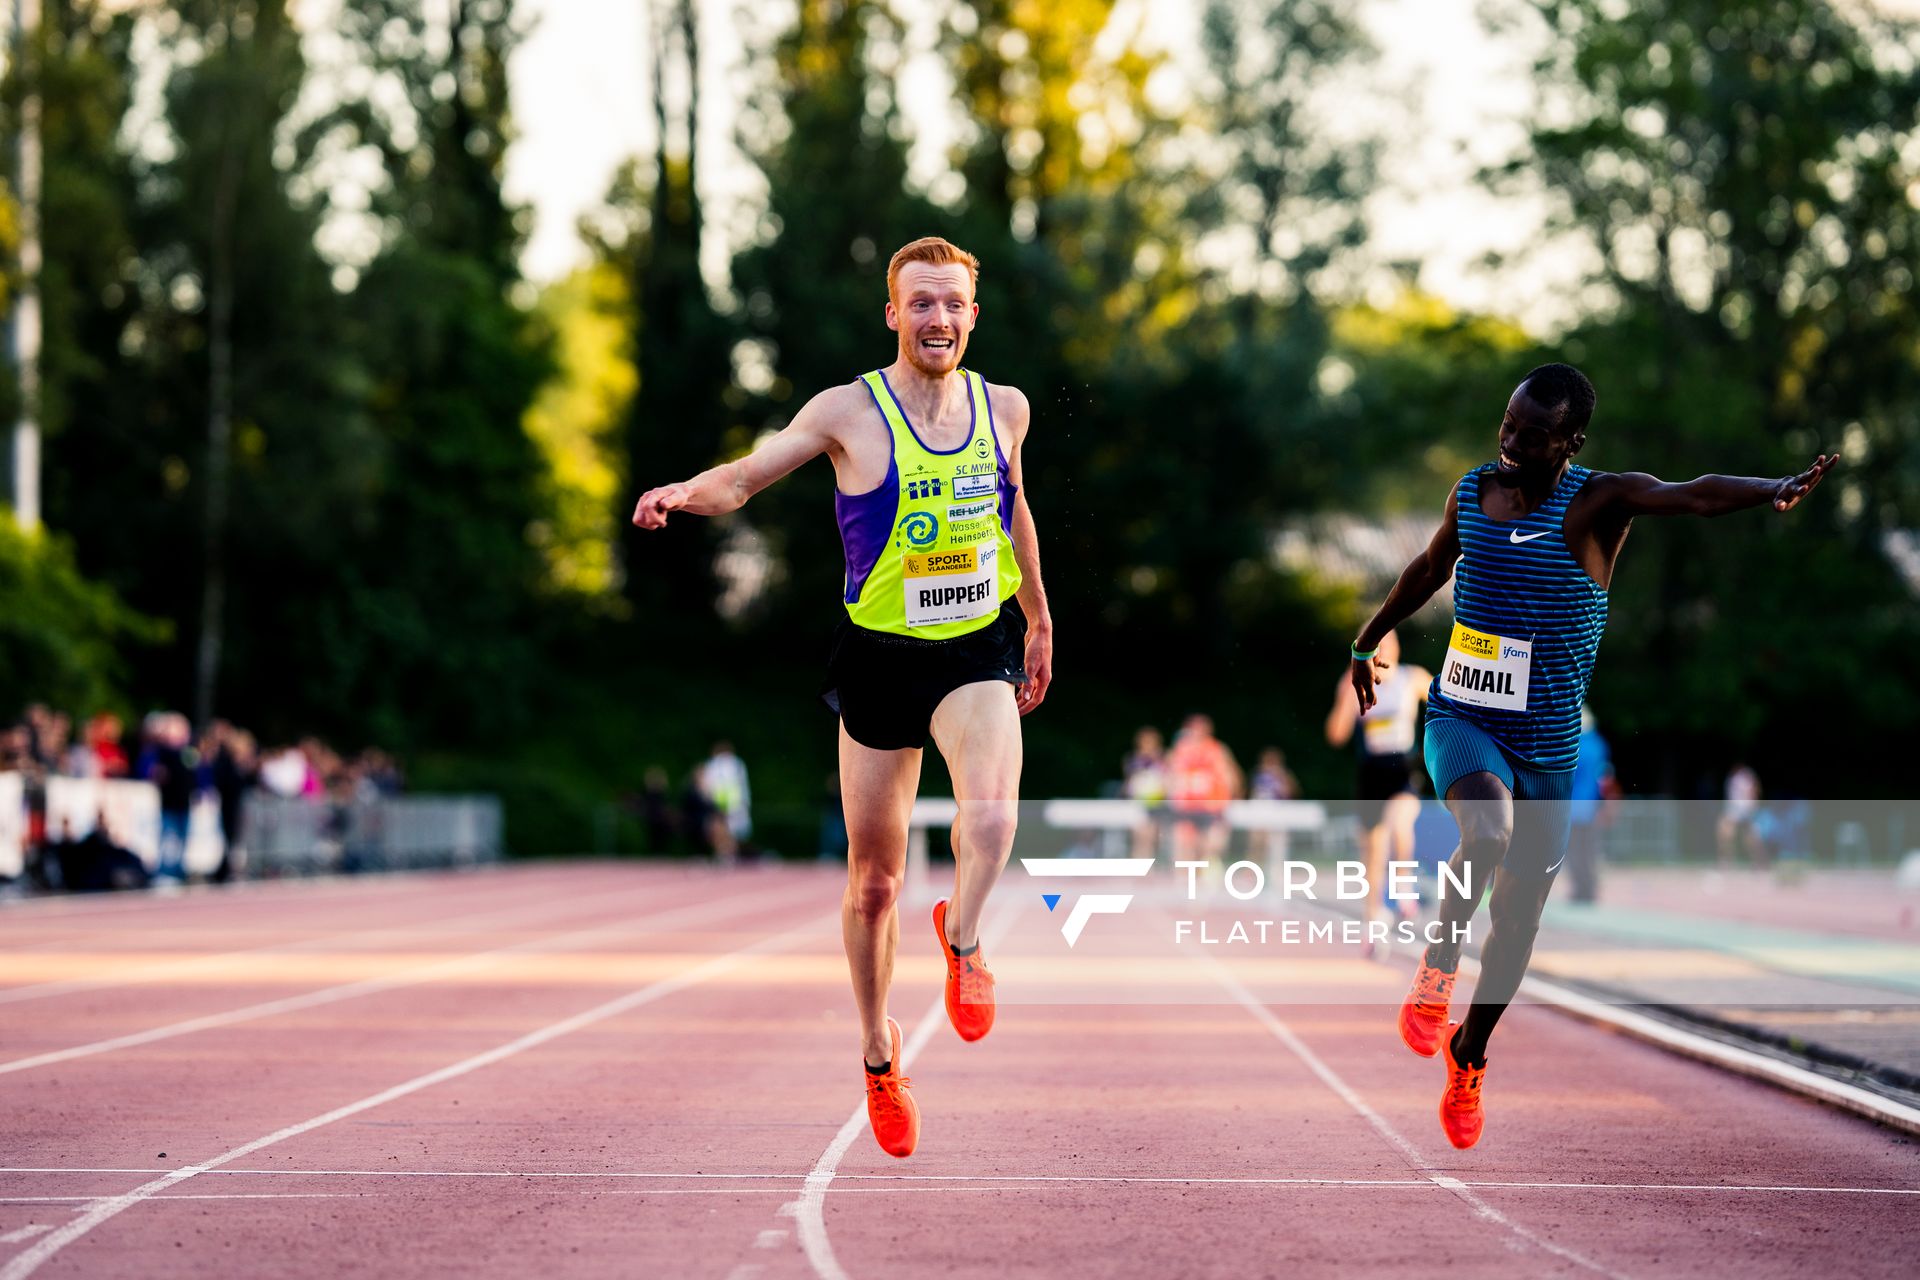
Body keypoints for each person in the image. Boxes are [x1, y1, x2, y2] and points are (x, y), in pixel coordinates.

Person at [630, 236, 1053, 1159]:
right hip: (878, 655)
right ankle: (878, 1052)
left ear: (973, 316)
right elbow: (746, 475)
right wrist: (682, 493)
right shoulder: (847, 412)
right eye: (921, 304)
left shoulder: (1005, 409)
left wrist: (1040, 615)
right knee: (875, 883)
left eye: (953, 304)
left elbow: (1012, 507)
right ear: (893, 314)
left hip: (976, 644)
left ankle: (967, 941)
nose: (938, 319)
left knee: (991, 822)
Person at [1347, 362, 1833, 1150]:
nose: (1509, 443)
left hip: (1550, 750)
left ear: (1572, 442)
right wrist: (1365, 641)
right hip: (1464, 717)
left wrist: (1770, 486)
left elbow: (1693, 493)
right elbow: (1431, 568)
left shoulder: (1601, 501)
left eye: (1531, 437)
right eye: (1506, 426)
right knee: (1487, 835)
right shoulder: (1473, 492)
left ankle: (1469, 1055)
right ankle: (1436, 966)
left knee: (1518, 924)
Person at [1325, 628, 1430, 959]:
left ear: (1397, 646)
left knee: (1400, 823)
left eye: (1389, 642)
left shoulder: (1411, 678)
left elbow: (1448, 703)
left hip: (1402, 768)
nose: (1383, 649)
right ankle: (1374, 922)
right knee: (1371, 855)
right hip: (1370, 772)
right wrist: (1346, 694)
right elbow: (1337, 735)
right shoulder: (1356, 681)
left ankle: (1402, 886)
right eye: (1375, 643)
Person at [1166, 714, 1240, 870]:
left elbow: (1231, 777)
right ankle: (1184, 884)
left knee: (1211, 847)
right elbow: (1169, 776)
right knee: (1184, 847)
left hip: (1211, 807)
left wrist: (1230, 799)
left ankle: (1204, 881)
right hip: (1186, 807)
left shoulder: (1217, 750)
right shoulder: (1180, 750)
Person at [1564, 706, 1615, 903]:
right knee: (1591, 849)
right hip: (1592, 805)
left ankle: (1579, 889)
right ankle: (1590, 888)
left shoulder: (1571, 744)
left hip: (1573, 804)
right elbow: (1604, 776)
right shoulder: (1599, 744)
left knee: (1574, 849)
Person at [696, 741, 752, 865]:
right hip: (733, 802)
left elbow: (707, 784)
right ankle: (728, 855)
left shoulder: (714, 764)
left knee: (721, 830)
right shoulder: (737, 764)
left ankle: (725, 855)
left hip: (720, 802)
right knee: (729, 831)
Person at [1122, 727, 1169, 858]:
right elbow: (1129, 783)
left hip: (1157, 804)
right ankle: (1139, 871)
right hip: (1138, 804)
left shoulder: (1163, 759)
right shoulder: (1132, 760)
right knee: (1140, 838)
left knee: (1152, 838)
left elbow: (1167, 781)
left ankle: (1150, 870)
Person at [1717, 762, 1763, 870]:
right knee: (1724, 833)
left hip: (1745, 808)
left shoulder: (1746, 774)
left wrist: (1752, 805)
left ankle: (1759, 862)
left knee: (1750, 838)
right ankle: (1726, 862)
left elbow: (1755, 789)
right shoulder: (1731, 776)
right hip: (1734, 808)